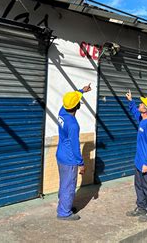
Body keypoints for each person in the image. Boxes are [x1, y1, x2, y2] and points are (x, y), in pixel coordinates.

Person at [56, 83, 92, 221]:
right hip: (70, 159)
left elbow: (71, 99)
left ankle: (64, 206)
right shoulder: (73, 124)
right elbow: (75, 146)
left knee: (63, 183)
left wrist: (82, 91)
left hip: (60, 155)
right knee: (69, 185)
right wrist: (81, 163)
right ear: (77, 106)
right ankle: (64, 213)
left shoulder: (62, 112)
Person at [125, 89, 147, 222]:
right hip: (138, 161)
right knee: (138, 185)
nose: (140, 104)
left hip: (146, 164)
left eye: (142, 104)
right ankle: (141, 207)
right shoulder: (142, 119)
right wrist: (130, 101)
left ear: (146, 110)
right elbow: (135, 112)